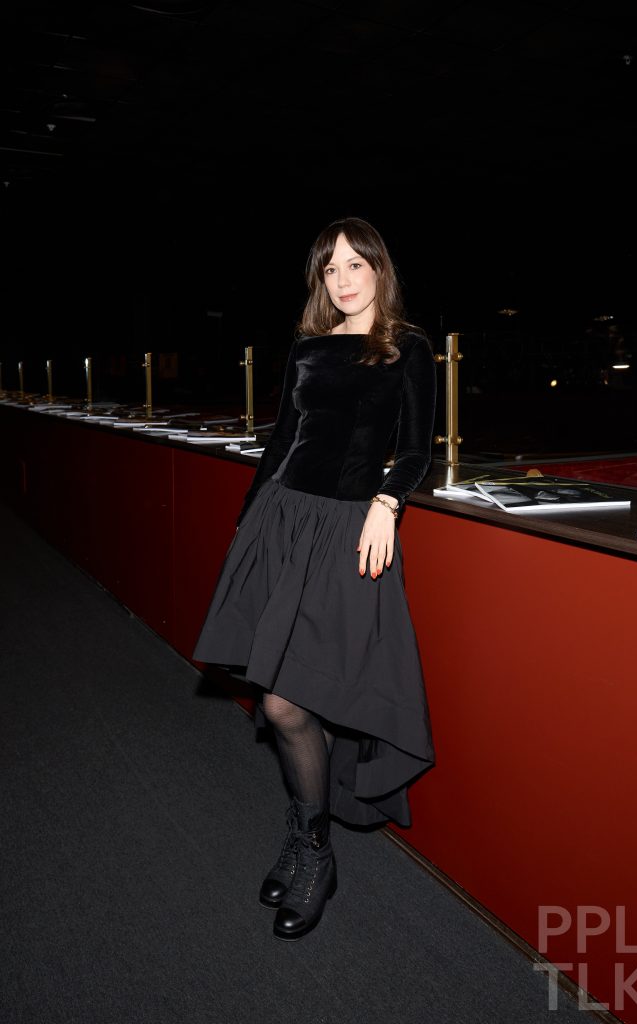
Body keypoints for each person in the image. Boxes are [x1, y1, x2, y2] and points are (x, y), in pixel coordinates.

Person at [193, 216, 437, 941]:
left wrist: (387, 505)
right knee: (288, 696)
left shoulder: (407, 347)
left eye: (355, 264)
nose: (342, 279)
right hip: (283, 522)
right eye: (329, 268)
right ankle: (309, 836)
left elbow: (415, 451)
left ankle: (313, 849)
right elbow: (281, 443)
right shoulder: (307, 347)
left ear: (379, 269)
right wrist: (248, 523)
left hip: (349, 534)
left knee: (289, 702)